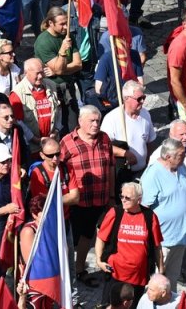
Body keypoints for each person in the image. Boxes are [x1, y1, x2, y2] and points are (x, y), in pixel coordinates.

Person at [62, 104, 116, 286]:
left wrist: (112, 196)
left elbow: (110, 168)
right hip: (78, 201)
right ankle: (71, 273)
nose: (96, 124)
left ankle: (90, 268)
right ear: (80, 122)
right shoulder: (68, 142)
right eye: (91, 121)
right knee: (77, 239)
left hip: (101, 198)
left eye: (98, 120)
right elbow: (59, 171)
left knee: (99, 235)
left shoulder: (105, 139)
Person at [95, 181, 164, 305]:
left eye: (127, 198)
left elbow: (157, 246)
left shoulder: (149, 216)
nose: (123, 200)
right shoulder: (115, 212)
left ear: (139, 200)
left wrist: (161, 270)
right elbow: (101, 238)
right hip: (115, 274)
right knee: (111, 305)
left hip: (138, 276)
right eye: (121, 196)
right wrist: (99, 261)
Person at [140, 139, 186, 292]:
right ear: (168, 156)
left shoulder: (181, 167)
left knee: (172, 280)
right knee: (157, 283)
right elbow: (144, 208)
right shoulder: (153, 174)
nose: (184, 158)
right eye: (181, 155)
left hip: (181, 235)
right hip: (162, 240)